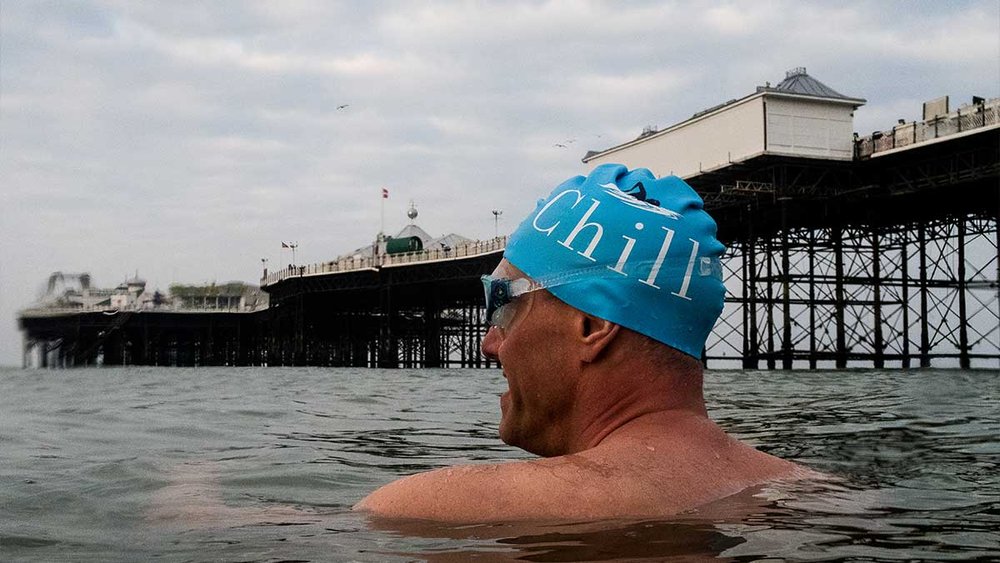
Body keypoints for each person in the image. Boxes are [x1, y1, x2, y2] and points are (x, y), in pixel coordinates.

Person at [354, 163, 811, 522]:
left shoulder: (428, 512)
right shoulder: (810, 493)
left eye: (503, 304)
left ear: (592, 326)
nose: (489, 343)